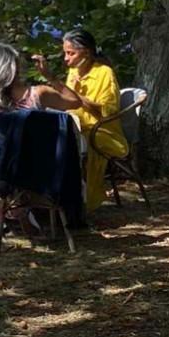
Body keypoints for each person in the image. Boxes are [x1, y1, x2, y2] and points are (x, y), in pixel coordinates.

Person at [0, 42, 82, 237]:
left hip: (0, 169)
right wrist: (50, 77)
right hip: (39, 168)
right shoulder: (39, 94)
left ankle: (1, 208)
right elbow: (75, 102)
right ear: (17, 68)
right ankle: (19, 208)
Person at [35, 28, 125, 213]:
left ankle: (78, 201)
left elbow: (107, 112)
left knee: (69, 145)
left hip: (101, 130)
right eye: (65, 53)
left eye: (71, 53)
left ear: (86, 52)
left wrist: (75, 94)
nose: (67, 59)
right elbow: (68, 101)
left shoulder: (104, 73)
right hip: (74, 124)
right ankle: (49, 197)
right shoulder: (73, 72)